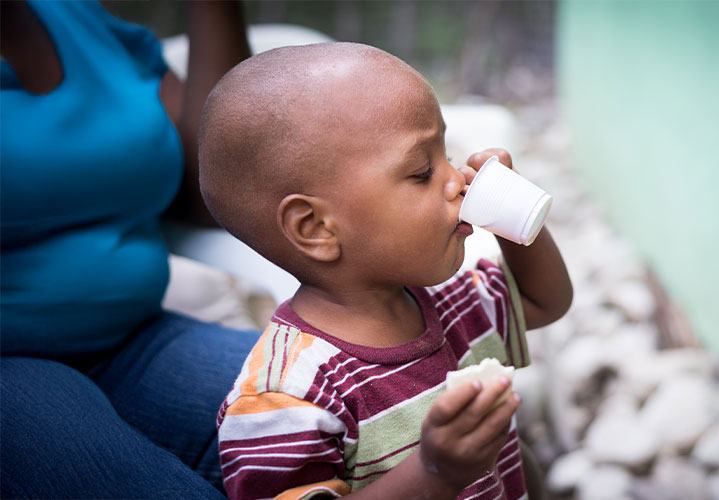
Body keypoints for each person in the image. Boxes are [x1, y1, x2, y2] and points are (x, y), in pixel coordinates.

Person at [201, 42, 574, 499]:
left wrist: (516, 222)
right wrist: (435, 473)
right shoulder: (287, 397)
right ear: (317, 227)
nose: (457, 179)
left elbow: (545, 302)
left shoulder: (453, 303)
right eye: (422, 171)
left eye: (446, 153)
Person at [0, 1, 257, 497]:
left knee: (380, 407)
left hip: (136, 340)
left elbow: (218, 189)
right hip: (10, 365)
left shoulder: (78, 18)